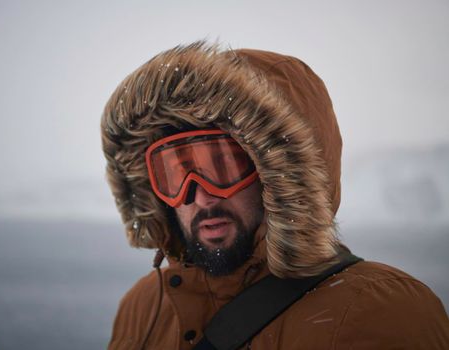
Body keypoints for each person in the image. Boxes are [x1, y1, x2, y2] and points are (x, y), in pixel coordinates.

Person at [101, 41, 449, 349]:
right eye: (175, 173)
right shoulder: (145, 305)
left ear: (277, 176)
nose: (200, 197)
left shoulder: (381, 311)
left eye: (222, 166)